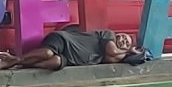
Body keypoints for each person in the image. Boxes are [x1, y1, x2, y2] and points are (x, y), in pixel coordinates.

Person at [10, 23, 148, 70]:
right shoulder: (108, 35)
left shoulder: (113, 58)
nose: (123, 40)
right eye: (124, 37)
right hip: (64, 40)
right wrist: (129, 50)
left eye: (126, 43)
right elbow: (111, 51)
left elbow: (112, 56)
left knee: (55, 62)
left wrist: (129, 54)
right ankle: (16, 60)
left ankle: (25, 65)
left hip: (67, 58)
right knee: (48, 54)